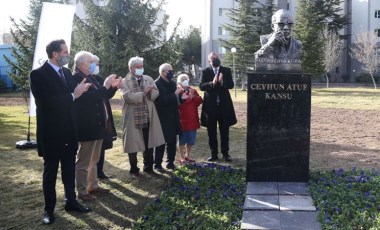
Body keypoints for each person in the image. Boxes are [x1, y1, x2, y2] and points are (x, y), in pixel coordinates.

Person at [30, 39, 92, 225]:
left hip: (69, 132)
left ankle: (71, 202)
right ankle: (48, 210)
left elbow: (72, 101)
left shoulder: (65, 72)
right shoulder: (38, 74)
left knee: (69, 169)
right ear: (55, 54)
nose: (67, 55)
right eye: (65, 52)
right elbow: (45, 103)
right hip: (51, 134)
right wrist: (74, 95)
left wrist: (79, 92)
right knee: (50, 173)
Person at [72, 51, 121, 201]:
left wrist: (111, 88)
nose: (95, 64)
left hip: (98, 124)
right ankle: (81, 190)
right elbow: (85, 99)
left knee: (94, 159)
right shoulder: (75, 78)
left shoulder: (91, 77)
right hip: (87, 125)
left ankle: (92, 186)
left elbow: (102, 95)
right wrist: (105, 87)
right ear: (82, 64)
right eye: (91, 61)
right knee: (83, 161)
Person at [120, 56, 165, 178]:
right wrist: (144, 92)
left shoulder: (148, 78)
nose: (141, 69)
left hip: (147, 115)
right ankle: (134, 169)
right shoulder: (125, 81)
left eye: (142, 66)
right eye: (138, 67)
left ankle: (148, 167)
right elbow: (128, 97)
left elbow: (156, 93)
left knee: (148, 142)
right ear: (131, 68)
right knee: (132, 144)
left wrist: (151, 92)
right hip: (133, 117)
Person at [199, 52, 237, 162]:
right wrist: (212, 83)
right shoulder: (205, 71)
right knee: (211, 132)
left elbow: (231, 85)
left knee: (225, 131)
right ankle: (214, 154)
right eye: (213, 58)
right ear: (209, 61)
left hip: (224, 107)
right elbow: (201, 86)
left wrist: (222, 82)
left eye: (216, 58)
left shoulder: (226, 70)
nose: (215, 59)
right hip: (210, 108)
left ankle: (226, 154)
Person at [92, 55, 118, 180]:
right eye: (95, 64)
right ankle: (93, 175)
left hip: (103, 118)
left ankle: (100, 171)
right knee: (92, 151)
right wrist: (106, 86)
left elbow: (106, 95)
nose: (97, 66)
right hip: (93, 119)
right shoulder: (84, 79)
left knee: (101, 147)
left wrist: (113, 87)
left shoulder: (98, 78)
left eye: (98, 64)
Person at [154, 63, 181, 171]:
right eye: (169, 71)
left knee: (172, 141)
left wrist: (181, 97)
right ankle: (157, 164)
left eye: (172, 71)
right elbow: (159, 101)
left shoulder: (172, 83)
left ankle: (170, 162)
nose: (171, 73)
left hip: (173, 115)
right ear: (162, 72)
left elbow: (176, 99)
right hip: (162, 117)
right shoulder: (157, 84)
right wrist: (174, 95)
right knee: (161, 142)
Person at [176, 73, 203, 163]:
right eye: (183, 79)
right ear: (179, 82)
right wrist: (187, 99)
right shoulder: (177, 92)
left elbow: (198, 102)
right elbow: (178, 106)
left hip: (193, 119)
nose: (185, 81)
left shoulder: (192, 90)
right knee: (182, 140)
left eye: (186, 79)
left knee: (191, 139)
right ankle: (181, 156)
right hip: (182, 120)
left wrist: (193, 97)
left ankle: (188, 155)